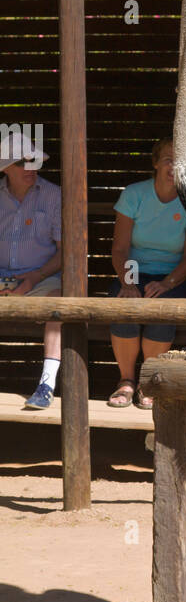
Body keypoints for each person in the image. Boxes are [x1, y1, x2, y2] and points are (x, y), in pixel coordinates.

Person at [106, 137, 186, 409]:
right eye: (168, 159)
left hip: (175, 277)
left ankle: (148, 383)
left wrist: (166, 283)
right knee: (124, 304)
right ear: (156, 163)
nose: (174, 166)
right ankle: (126, 381)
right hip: (135, 271)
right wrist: (128, 283)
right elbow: (120, 249)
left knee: (162, 308)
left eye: (180, 160)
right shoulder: (134, 194)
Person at [0, 133, 62, 410]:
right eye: (22, 163)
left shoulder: (53, 195)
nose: (31, 168)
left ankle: (46, 385)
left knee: (57, 305)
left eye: (34, 161)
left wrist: (35, 277)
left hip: (44, 277)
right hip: (2, 276)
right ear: (5, 168)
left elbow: (67, 252)